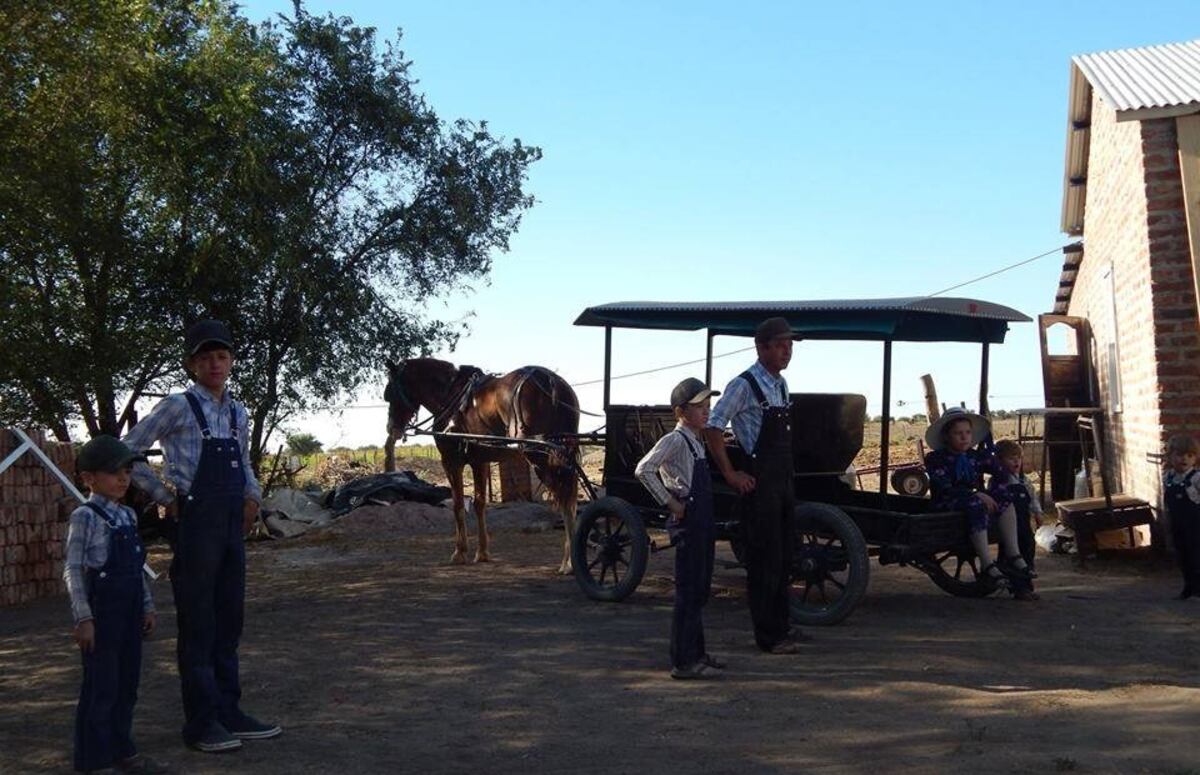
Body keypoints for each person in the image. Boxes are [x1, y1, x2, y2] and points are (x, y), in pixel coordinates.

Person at [123, 320, 281, 752]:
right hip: (195, 524)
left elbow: (245, 461)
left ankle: (230, 711)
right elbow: (129, 450)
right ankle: (201, 722)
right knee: (199, 623)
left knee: (230, 619)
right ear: (193, 364)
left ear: (230, 362)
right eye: (206, 357)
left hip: (233, 521)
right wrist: (163, 495)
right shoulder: (177, 406)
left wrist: (253, 496)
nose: (216, 363)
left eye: (222, 356)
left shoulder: (237, 411)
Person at [64, 435, 169, 775]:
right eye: (113, 472)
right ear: (89, 478)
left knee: (127, 685)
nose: (123, 479)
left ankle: (122, 749)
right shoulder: (85, 516)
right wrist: (84, 618)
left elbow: (137, 567)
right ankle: (94, 760)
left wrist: (148, 605)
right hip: (102, 615)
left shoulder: (127, 517)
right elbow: (74, 569)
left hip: (130, 611)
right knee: (101, 688)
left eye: (126, 471)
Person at [704, 317, 806, 654]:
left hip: (783, 481)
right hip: (758, 482)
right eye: (779, 345)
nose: (786, 351)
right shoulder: (744, 385)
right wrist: (731, 474)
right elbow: (714, 426)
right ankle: (768, 636)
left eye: (789, 345)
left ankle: (783, 625)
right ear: (760, 347)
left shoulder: (782, 384)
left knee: (785, 554)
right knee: (764, 558)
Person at [635, 377, 723, 679]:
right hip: (688, 518)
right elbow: (644, 469)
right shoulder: (675, 440)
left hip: (703, 518)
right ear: (680, 411)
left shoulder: (697, 441)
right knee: (688, 590)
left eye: (707, 406)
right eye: (699, 406)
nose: (705, 411)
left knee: (700, 588)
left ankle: (697, 653)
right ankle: (683, 661)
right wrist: (671, 503)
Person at [923, 408, 1034, 592]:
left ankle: (1013, 553)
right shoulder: (936, 459)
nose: (964, 437)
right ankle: (987, 562)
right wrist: (976, 494)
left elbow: (1000, 470)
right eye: (958, 433)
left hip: (972, 500)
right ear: (947, 436)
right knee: (976, 504)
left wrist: (994, 491)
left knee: (1006, 497)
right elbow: (945, 487)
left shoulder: (974, 456)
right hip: (947, 502)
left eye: (967, 432)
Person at [989, 440, 1042, 601]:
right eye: (1011, 458)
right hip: (1008, 529)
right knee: (1011, 554)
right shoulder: (997, 481)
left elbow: (1032, 497)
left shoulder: (1023, 480)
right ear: (999, 461)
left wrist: (1038, 513)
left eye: (1018, 457)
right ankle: (1018, 588)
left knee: (1028, 549)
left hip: (1024, 523)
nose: (1016, 461)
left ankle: (1026, 586)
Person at [1163, 434, 1200, 600]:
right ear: (1170, 457)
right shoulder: (1168, 478)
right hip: (1177, 523)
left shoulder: (1196, 478)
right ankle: (1188, 585)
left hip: (1195, 524)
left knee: (1196, 555)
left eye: (1189, 456)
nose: (1184, 459)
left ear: (1195, 458)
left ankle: (1198, 587)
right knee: (1182, 554)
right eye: (1179, 455)